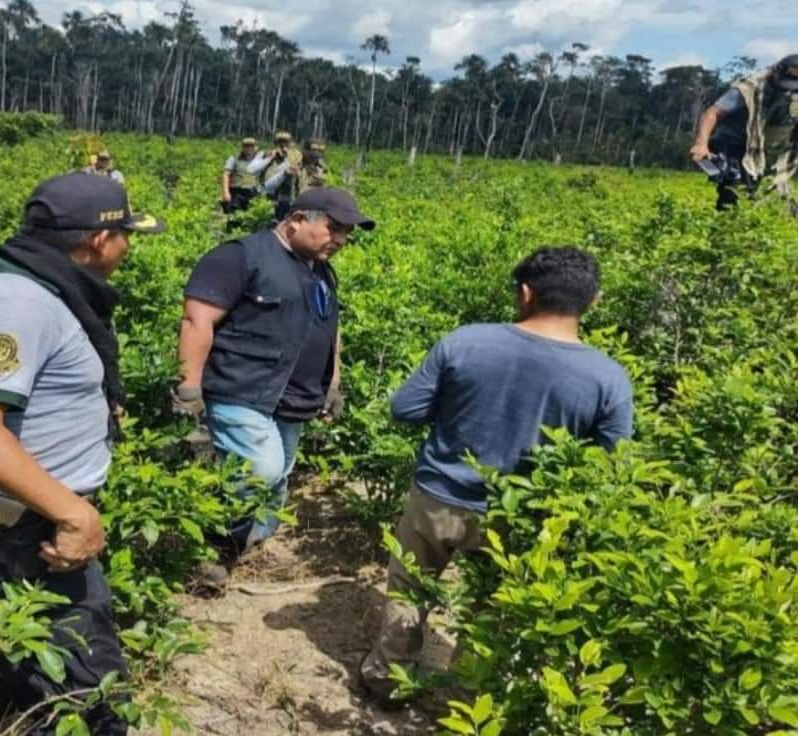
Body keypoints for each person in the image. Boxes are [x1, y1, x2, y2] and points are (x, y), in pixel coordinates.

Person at [0, 172, 164, 733]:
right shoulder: (18, 305)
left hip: (23, 532)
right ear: (98, 242)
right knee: (88, 710)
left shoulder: (40, 290)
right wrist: (73, 511)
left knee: (12, 685)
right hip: (18, 541)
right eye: (126, 233)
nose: (129, 246)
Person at [359, 246, 634, 706]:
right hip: (521, 516)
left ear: (525, 294)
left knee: (408, 588)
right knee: (491, 609)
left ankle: (388, 680)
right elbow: (614, 464)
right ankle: (468, 701)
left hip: (437, 498)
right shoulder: (609, 377)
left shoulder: (465, 342)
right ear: (593, 302)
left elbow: (404, 409)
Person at [172, 187, 375, 575]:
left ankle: (252, 545)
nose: (342, 240)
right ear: (298, 219)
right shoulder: (240, 257)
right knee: (261, 470)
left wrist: (332, 384)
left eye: (347, 233)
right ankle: (215, 550)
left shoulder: (322, 272)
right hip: (241, 389)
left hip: (292, 398)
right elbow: (197, 320)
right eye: (335, 229)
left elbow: (330, 331)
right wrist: (188, 387)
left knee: (278, 473)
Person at [690, 54, 798, 210]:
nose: (785, 90)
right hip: (732, 141)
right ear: (775, 73)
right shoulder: (750, 86)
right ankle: (728, 226)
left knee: (765, 191)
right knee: (734, 186)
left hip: (761, 148)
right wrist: (701, 144)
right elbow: (712, 113)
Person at [249, 130, 303, 221]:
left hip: (287, 196)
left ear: (290, 143)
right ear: (275, 143)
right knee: (266, 220)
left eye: (286, 142)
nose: (283, 145)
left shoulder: (297, 155)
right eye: (280, 142)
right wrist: (269, 158)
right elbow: (251, 170)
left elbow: (298, 172)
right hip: (267, 195)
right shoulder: (265, 153)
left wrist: (288, 159)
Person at [221, 137, 261, 215]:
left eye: (251, 146)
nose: (249, 148)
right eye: (246, 146)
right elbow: (226, 175)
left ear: (255, 147)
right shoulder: (234, 159)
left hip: (253, 194)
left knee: (251, 219)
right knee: (234, 218)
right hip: (237, 192)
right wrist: (226, 192)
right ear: (242, 147)